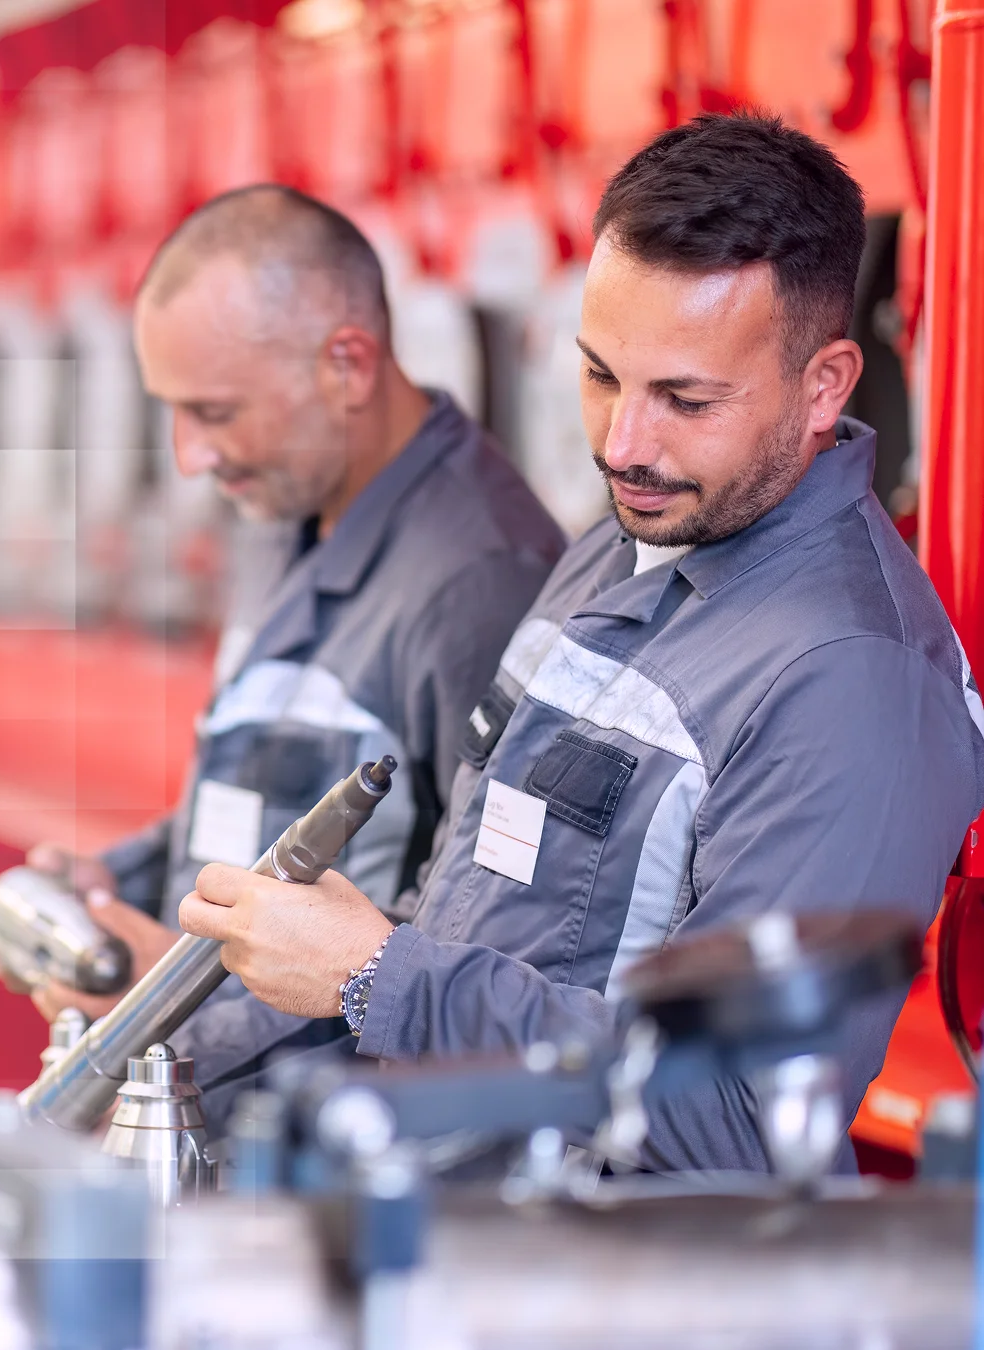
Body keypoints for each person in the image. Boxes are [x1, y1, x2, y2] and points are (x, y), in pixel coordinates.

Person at [177, 113, 984, 1170]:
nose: (622, 445)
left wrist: (381, 976)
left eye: (686, 399)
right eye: (600, 374)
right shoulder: (623, 539)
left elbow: (742, 1119)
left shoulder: (853, 681)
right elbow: (476, 903)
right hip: (450, 1246)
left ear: (825, 385)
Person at [0, 187, 567, 1072]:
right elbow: (267, 789)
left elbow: (477, 938)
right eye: (172, 411)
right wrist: (114, 889)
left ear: (349, 365)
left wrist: (171, 1009)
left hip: (332, 1157)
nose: (190, 458)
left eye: (214, 412)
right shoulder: (285, 513)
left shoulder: (480, 580)